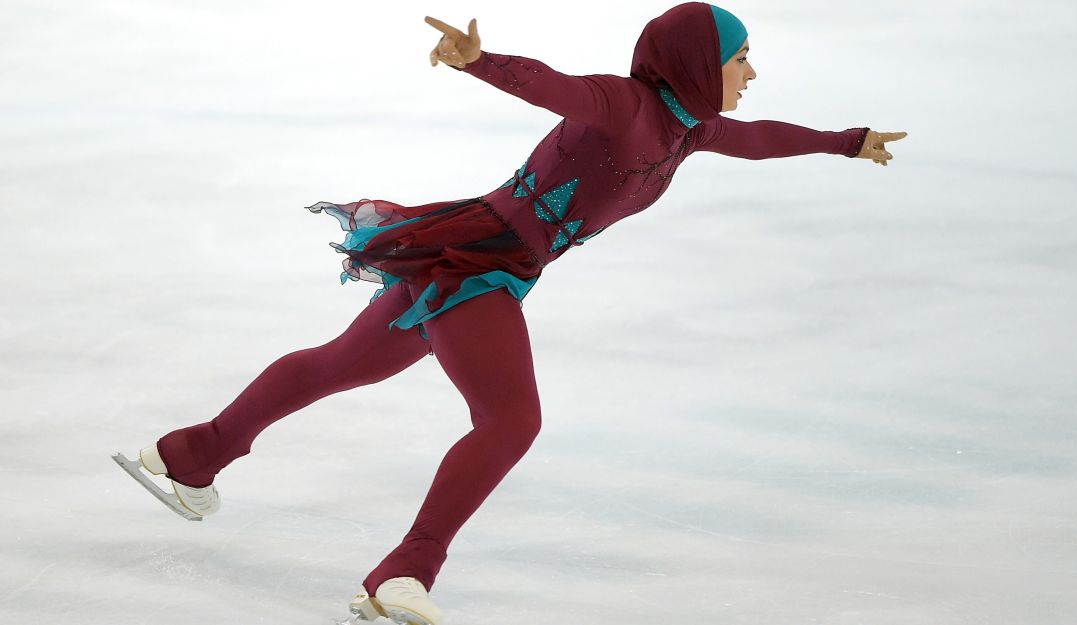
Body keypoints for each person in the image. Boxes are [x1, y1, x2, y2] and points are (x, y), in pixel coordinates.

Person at [117, 4, 907, 624]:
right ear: (702, 61)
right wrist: (477, 61)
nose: (751, 71)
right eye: (740, 57)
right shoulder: (624, 104)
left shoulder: (687, 127)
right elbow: (552, 83)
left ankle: (192, 454)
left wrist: (847, 141)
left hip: (474, 257)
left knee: (336, 364)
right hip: (482, 265)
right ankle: (405, 571)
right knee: (509, 420)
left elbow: (758, 137)